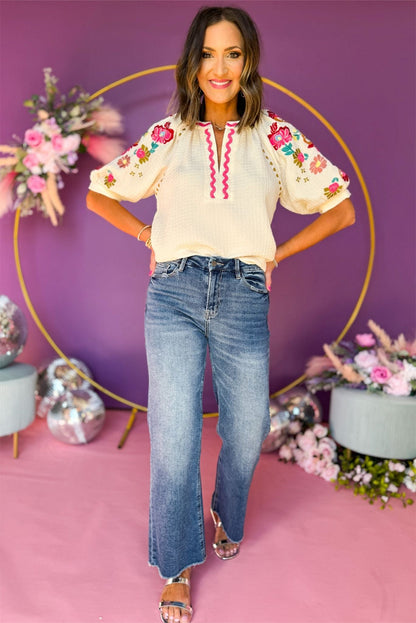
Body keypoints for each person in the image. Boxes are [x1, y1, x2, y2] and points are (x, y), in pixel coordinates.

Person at [86, 6, 355, 622]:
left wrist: (277, 252)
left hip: (243, 295)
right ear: (192, 61)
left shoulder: (275, 136)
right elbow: (102, 190)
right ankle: (176, 566)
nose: (219, 67)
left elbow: (340, 207)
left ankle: (225, 515)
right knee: (175, 437)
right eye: (208, 53)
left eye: (232, 53)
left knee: (245, 433)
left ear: (249, 61)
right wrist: (145, 238)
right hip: (174, 294)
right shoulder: (169, 133)